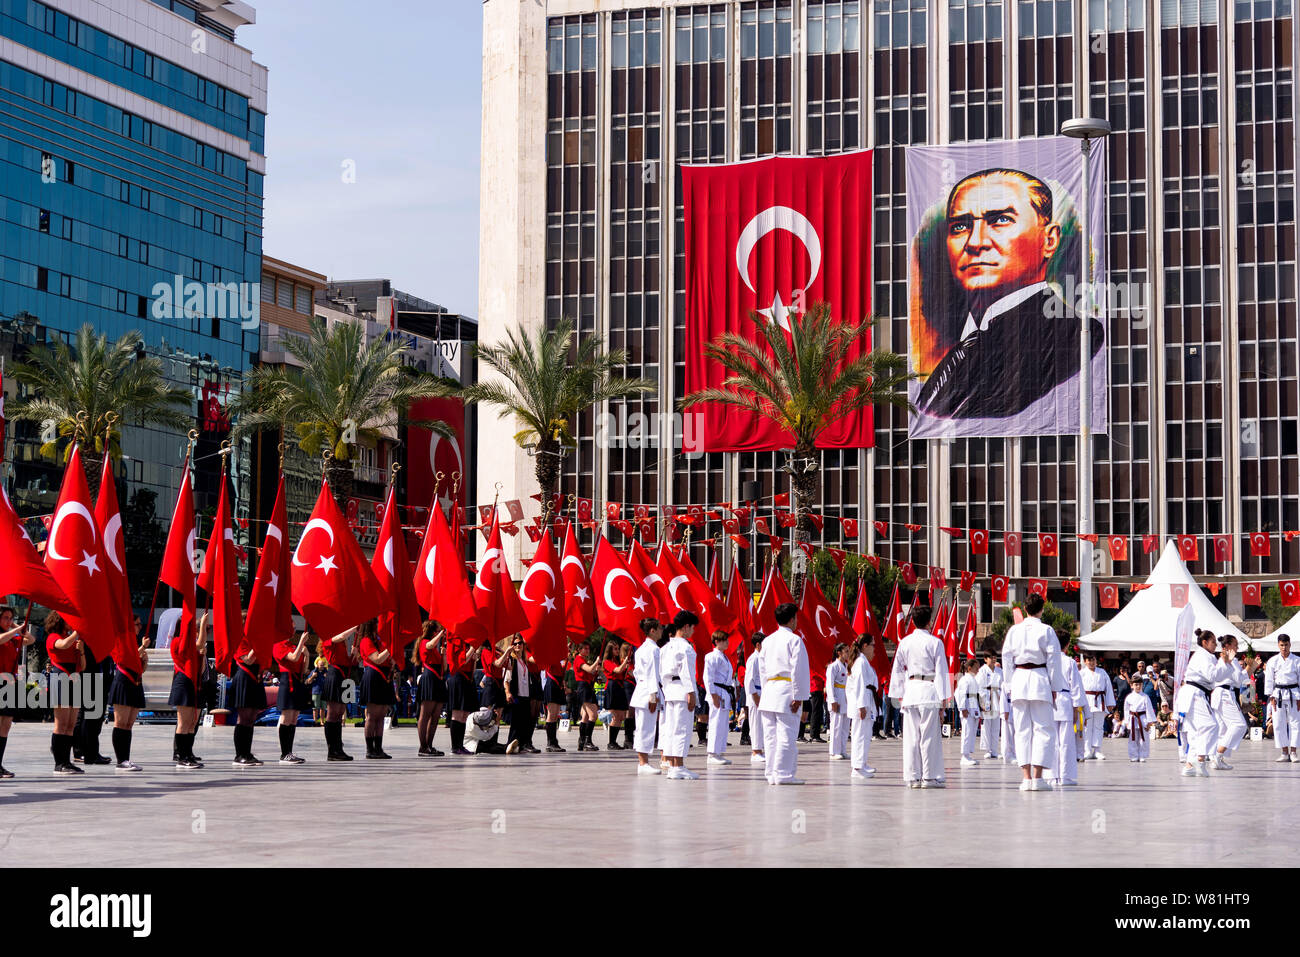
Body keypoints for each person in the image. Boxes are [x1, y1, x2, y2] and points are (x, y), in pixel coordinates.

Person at [915, 167, 1104, 420]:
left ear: (1049, 240)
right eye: (960, 226)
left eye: (1000, 220)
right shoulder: (961, 346)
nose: (975, 242)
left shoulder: (1074, 334)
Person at [1001, 594, 1063, 791]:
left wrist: (1009, 684)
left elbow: (1006, 658)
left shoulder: (1014, 630)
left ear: (1025, 609)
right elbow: (1053, 660)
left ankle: (1026, 778)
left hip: (1019, 678)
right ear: (1041, 609)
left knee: (1022, 730)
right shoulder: (1046, 630)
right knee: (1043, 729)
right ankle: (1037, 778)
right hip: (1039, 678)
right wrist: (1055, 687)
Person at [889, 605, 952, 789]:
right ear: (929, 622)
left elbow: (898, 668)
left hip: (911, 691)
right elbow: (941, 672)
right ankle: (929, 777)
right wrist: (943, 701)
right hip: (929, 690)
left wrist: (899, 693)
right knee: (929, 737)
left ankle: (912, 777)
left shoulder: (905, 642)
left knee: (911, 738)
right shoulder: (935, 642)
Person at [759, 603, 810, 786]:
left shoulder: (767, 641)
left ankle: (772, 772)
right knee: (786, 735)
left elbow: (762, 670)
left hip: (770, 690)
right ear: (791, 619)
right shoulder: (794, 640)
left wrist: (765, 691)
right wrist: (799, 695)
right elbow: (799, 670)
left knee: (770, 737)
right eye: (796, 618)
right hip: (787, 690)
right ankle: (783, 773)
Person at [1178, 629, 1229, 777]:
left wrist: (1225, 662)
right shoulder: (1202, 655)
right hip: (1194, 693)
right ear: (1205, 642)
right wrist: (1224, 661)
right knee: (1210, 725)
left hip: (1198, 693)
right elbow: (1212, 675)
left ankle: (1189, 765)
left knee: (1197, 731)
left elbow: (1217, 677)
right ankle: (1200, 761)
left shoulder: (1208, 656)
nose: (1215, 645)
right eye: (1213, 642)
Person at [107, 615, 150, 772]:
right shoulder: (121, 639)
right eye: (137, 624)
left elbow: (139, 669)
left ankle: (126, 758)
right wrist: (142, 648)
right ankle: (121, 760)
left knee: (129, 724)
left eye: (140, 624)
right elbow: (124, 659)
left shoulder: (134, 644)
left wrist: (144, 662)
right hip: (123, 682)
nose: (140, 627)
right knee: (121, 722)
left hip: (135, 683)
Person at [659, 612, 699, 780]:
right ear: (685, 627)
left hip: (669, 690)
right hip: (683, 689)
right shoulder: (686, 647)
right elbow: (687, 673)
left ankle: (673, 764)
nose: (693, 631)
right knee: (682, 729)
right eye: (692, 627)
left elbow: (661, 673)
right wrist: (691, 692)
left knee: (671, 729)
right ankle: (679, 766)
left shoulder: (665, 647)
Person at [45, 611, 86, 775]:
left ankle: (67, 761)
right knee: (60, 724)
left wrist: (81, 651)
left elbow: (82, 666)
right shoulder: (53, 636)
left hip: (74, 679)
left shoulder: (73, 640)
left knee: (70, 725)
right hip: (60, 678)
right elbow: (62, 645)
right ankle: (59, 762)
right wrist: (78, 632)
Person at [169, 610, 208, 769]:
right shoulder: (178, 641)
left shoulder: (190, 644)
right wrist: (204, 625)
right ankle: (181, 756)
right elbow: (198, 644)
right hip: (183, 682)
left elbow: (202, 668)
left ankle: (188, 753)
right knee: (183, 723)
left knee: (192, 723)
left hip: (194, 682)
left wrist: (203, 655)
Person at [1046, 630, 1085, 788]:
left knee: (1051, 740)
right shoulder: (1069, 662)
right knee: (1066, 741)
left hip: (1050, 700)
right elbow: (1076, 686)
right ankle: (1065, 776)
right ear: (1068, 644)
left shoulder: (1048, 661)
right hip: (1065, 701)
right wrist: (1077, 708)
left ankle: (1051, 776)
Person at [0, 606, 35, 777]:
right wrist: (15, 629)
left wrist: (15, 627)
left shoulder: (13, 637)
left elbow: (30, 639)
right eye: (5, 618)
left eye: (10, 618)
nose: (8, 621)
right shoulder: (3, 637)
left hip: (10, 684)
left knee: (5, 725)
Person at [228, 617, 267, 768]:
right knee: (243, 718)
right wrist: (259, 643)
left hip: (255, 678)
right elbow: (248, 660)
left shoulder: (253, 639)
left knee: (251, 718)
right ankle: (239, 755)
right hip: (244, 676)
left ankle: (247, 753)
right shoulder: (240, 640)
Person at [629, 617, 663, 775]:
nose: (662, 631)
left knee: (644, 727)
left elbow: (637, 673)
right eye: (660, 628)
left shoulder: (642, 648)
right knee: (646, 728)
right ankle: (643, 763)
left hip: (642, 688)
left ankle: (643, 761)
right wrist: (653, 695)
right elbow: (652, 673)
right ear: (652, 630)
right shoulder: (653, 649)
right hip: (648, 691)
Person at [356, 620, 395, 759]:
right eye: (377, 623)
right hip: (373, 677)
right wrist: (391, 648)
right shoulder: (366, 641)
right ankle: (369, 749)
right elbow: (376, 659)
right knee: (372, 716)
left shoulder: (379, 641)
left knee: (381, 715)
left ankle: (378, 748)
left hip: (384, 677)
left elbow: (386, 657)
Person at [320, 625, 359, 761]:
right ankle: (332, 750)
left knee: (340, 712)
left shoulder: (342, 642)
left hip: (343, 675)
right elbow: (341, 636)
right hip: (334, 674)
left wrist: (353, 655)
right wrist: (354, 628)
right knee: (332, 713)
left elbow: (349, 663)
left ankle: (338, 748)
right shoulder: (328, 638)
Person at [273, 629, 312, 764]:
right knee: (287, 716)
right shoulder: (278, 645)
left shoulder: (292, 646)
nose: (293, 630)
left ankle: (289, 752)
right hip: (287, 680)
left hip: (297, 681)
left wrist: (307, 656)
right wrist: (302, 642)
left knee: (294, 717)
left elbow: (304, 669)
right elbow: (293, 658)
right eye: (291, 627)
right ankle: (284, 753)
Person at [846, 635, 879, 780]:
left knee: (865, 735)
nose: (874, 649)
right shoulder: (860, 662)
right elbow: (859, 685)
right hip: (862, 701)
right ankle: (857, 767)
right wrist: (861, 706)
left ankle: (862, 763)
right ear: (865, 646)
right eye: (873, 645)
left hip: (866, 699)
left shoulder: (862, 661)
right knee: (860, 735)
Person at [1211, 636, 1247, 770]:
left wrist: (1249, 668)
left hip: (1225, 694)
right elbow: (1237, 680)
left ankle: (1219, 759)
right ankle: (1217, 756)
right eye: (1235, 645)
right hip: (1224, 694)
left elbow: (1239, 680)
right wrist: (1233, 663)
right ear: (1226, 647)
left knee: (1224, 729)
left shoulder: (1231, 660)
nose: (1237, 648)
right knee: (1239, 725)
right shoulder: (1224, 660)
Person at [444, 629, 481, 756]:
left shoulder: (466, 644)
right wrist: (472, 649)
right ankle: (455, 746)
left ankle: (461, 745)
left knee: (465, 714)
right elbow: (461, 661)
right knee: (457, 714)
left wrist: (474, 658)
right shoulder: (454, 641)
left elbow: (472, 668)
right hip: (458, 677)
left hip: (467, 679)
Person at [414, 621, 447, 757]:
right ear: (433, 632)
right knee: (425, 714)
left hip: (438, 680)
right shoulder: (424, 642)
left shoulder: (436, 648)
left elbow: (444, 668)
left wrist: (444, 654)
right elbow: (430, 644)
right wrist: (442, 633)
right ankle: (423, 746)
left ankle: (430, 745)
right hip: (429, 678)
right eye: (438, 630)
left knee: (435, 716)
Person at [502, 635, 540, 754]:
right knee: (517, 721)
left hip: (525, 694)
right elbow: (506, 679)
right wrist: (507, 692)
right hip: (516, 694)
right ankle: (511, 743)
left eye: (520, 643)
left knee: (526, 721)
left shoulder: (523, 661)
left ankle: (523, 744)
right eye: (515, 643)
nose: (518, 645)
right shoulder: (511, 660)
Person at [1265, 635, 1300, 762]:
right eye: (1281, 645)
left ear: (1290, 645)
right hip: (1278, 694)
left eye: (1286, 645)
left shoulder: (1297, 660)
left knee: (1295, 723)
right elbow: (1269, 680)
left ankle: (1294, 752)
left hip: (1294, 694)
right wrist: (1270, 696)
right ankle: (1284, 752)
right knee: (1279, 723)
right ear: (1278, 645)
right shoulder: (1273, 661)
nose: (1284, 648)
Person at [702, 630, 734, 767]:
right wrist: (713, 694)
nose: (727, 642)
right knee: (715, 722)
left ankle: (719, 752)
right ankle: (712, 754)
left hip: (724, 692)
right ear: (716, 642)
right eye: (724, 640)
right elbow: (707, 676)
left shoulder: (724, 657)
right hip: (717, 691)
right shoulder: (711, 656)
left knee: (723, 723)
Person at [1079, 651, 1114, 759]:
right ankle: (1087, 750)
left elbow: (1108, 687)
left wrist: (1110, 702)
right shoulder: (1081, 673)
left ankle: (1097, 750)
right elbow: (1078, 688)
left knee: (1098, 726)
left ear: (1096, 660)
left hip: (1100, 701)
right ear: (1085, 661)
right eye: (1089, 660)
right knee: (1087, 727)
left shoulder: (1102, 672)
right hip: (1087, 701)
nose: (1091, 662)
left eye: (1093, 660)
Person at [572, 638, 602, 753]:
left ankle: (582, 741)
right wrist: (596, 662)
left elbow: (591, 673)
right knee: (593, 715)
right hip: (583, 687)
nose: (587, 650)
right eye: (585, 648)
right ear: (579, 650)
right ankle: (587, 741)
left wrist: (596, 669)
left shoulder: (583, 660)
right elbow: (589, 669)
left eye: (588, 648)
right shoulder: (579, 660)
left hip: (587, 686)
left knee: (585, 716)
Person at [601, 638, 630, 750]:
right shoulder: (607, 662)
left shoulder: (617, 661)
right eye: (615, 649)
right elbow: (617, 671)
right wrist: (625, 662)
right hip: (613, 687)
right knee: (616, 716)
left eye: (618, 649)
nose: (618, 651)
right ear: (610, 650)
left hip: (619, 686)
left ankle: (614, 741)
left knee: (621, 716)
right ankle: (611, 742)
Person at [541, 646, 570, 753]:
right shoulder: (550, 655)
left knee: (555, 714)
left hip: (557, 684)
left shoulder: (558, 658)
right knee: (551, 714)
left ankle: (554, 741)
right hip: (552, 683)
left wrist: (566, 657)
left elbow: (561, 670)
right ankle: (550, 742)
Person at [954, 657, 982, 768]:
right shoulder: (964, 680)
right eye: (976, 668)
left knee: (971, 731)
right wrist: (963, 708)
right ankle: (964, 756)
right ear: (969, 668)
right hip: (967, 707)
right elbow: (960, 694)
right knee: (966, 731)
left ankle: (968, 754)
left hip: (973, 706)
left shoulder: (973, 679)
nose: (978, 670)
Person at [1123, 673, 1155, 762]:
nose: (1138, 686)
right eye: (1136, 684)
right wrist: (1126, 721)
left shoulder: (1145, 697)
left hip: (1143, 719)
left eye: (1140, 684)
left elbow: (1149, 709)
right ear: (1132, 685)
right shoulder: (1129, 697)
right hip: (1133, 719)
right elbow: (1126, 710)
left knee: (1143, 738)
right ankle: (1133, 755)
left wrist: (1149, 722)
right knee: (1133, 738)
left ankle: (1142, 755)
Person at [744, 633, 766, 765]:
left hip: (762, 692)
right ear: (758, 645)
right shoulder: (753, 659)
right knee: (756, 723)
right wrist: (754, 695)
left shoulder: (762, 658)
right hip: (755, 694)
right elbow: (749, 679)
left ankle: (760, 750)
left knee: (761, 724)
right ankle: (756, 751)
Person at [826, 643, 849, 761]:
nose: (848, 653)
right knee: (836, 725)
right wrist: (832, 700)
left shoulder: (847, 666)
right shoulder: (833, 666)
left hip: (846, 697)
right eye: (846, 651)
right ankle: (834, 751)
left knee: (845, 727)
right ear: (839, 652)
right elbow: (829, 685)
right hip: (837, 696)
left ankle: (842, 750)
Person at [976, 650, 1001, 758]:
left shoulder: (1000, 671)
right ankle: (987, 749)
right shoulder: (982, 671)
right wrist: (983, 701)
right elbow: (979, 687)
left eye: (995, 657)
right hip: (987, 697)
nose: (993, 659)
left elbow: (1003, 684)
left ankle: (994, 749)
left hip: (997, 697)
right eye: (991, 657)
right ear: (986, 659)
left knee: (996, 725)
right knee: (987, 725)